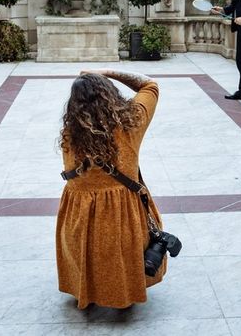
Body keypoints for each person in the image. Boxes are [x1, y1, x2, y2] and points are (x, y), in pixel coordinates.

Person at [56, 69, 166, 309]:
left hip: (79, 213)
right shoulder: (130, 124)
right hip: (122, 211)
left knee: (86, 253)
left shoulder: (69, 134)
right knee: (120, 255)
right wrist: (107, 73)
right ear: (110, 95)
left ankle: (86, 290)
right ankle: (122, 294)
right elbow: (149, 85)